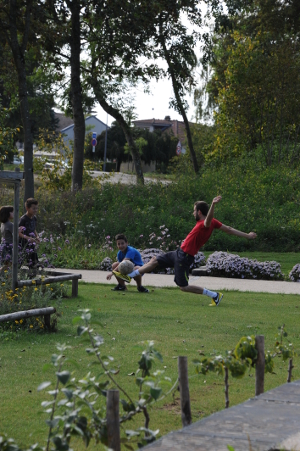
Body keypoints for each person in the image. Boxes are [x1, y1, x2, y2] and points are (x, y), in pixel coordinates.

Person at [113, 196, 257, 306]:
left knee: (183, 286)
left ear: (199, 212)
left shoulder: (206, 224)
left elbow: (209, 221)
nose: (192, 212)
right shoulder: (212, 223)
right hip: (179, 252)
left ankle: (214, 295)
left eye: (194, 210)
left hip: (185, 258)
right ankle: (131, 275)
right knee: (155, 261)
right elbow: (230, 230)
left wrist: (213, 204)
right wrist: (248, 236)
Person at [18, 198, 40, 270]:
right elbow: (18, 233)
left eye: (36, 208)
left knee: (34, 263)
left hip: (31, 244)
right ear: (27, 208)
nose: (35, 210)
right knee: (19, 262)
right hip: (23, 245)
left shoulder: (34, 218)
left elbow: (33, 229)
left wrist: (37, 236)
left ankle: (32, 278)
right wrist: (28, 238)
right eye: (33, 208)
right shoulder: (23, 219)